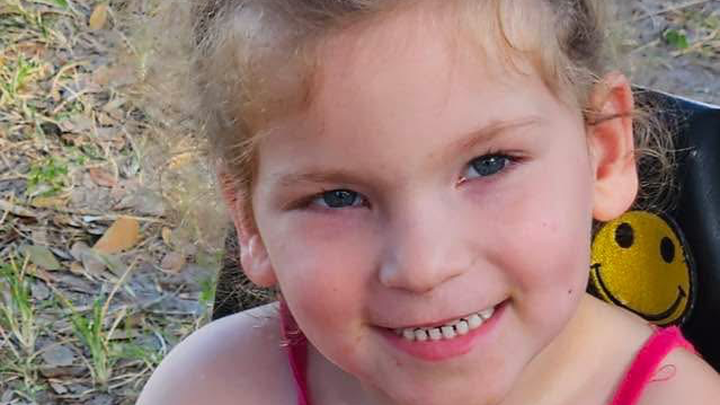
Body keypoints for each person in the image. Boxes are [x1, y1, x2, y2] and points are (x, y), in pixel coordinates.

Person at [137, 0, 720, 404]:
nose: (423, 266)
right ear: (249, 220)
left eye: (489, 164)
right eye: (338, 197)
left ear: (605, 151)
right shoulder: (210, 389)